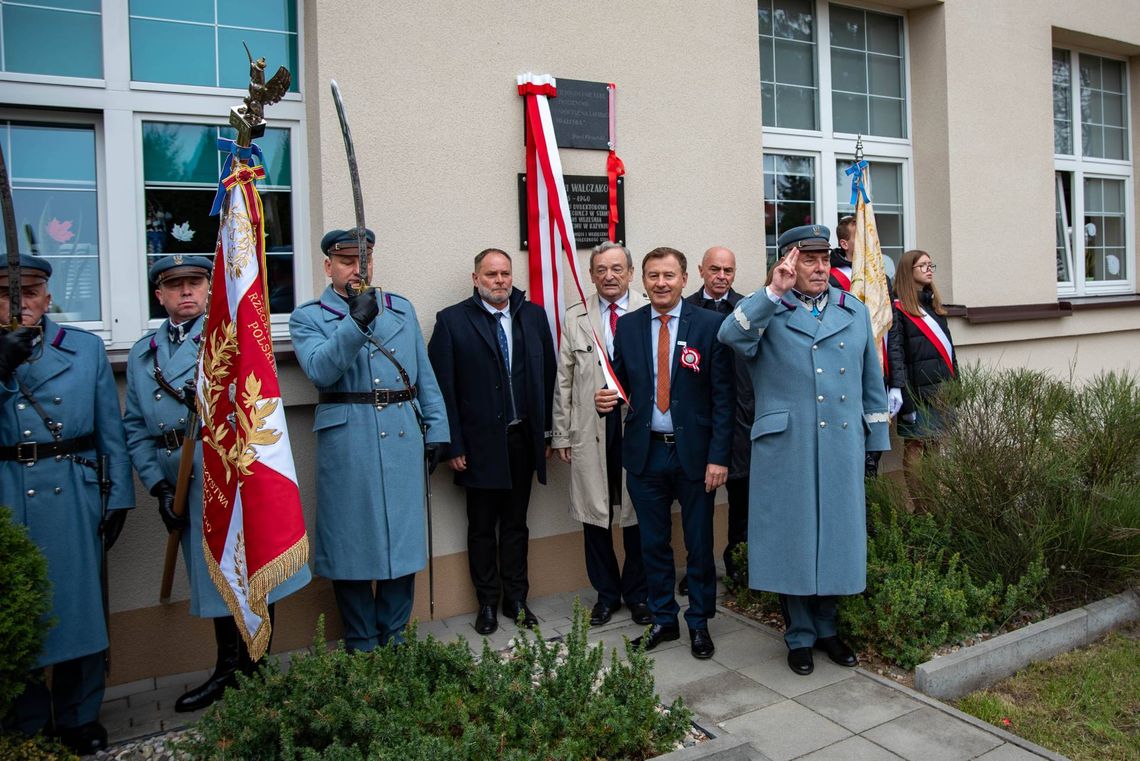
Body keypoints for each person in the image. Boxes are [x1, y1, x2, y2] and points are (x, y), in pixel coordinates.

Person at [125, 255, 310, 711]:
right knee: (214, 580)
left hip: (228, 477)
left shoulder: (229, 340)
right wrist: (158, 487)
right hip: (183, 481)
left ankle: (255, 670)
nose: (186, 292)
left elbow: (256, 400)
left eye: (195, 283)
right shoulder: (142, 354)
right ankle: (228, 669)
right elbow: (134, 427)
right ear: (160, 295)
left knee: (250, 571)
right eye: (176, 286)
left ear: (210, 289)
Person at [718, 225, 890, 676]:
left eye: (824, 259)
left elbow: (871, 383)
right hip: (786, 445)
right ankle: (798, 634)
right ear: (789, 263)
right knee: (793, 538)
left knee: (835, 534)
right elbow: (729, 337)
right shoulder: (767, 310)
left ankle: (828, 629)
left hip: (839, 442)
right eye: (807, 259)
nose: (818, 268)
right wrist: (772, 291)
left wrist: (875, 444)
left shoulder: (852, 311)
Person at [289, 229, 448, 651]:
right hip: (349, 439)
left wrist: (438, 429)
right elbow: (321, 371)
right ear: (328, 266)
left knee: (403, 539)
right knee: (351, 543)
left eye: (365, 260)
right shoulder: (308, 317)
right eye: (346, 261)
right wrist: (354, 322)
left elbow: (423, 377)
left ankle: (395, 636)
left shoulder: (399, 308)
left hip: (401, 433)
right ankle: (361, 641)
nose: (358, 268)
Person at [0, 254, 133, 754]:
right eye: (9, 295)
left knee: (78, 608)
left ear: (47, 297)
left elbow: (109, 431)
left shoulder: (82, 349)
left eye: (30, 293)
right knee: (18, 608)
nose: (21, 304)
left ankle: (79, 716)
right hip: (7, 490)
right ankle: (26, 717)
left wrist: (118, 496)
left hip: (72, 490)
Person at [595, 247, 734, 660]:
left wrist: (719, 457)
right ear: (643, 279)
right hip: (645, 455)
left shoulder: (711, 326)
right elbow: (620, 380)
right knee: (652, 545)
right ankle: (663, 620)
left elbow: (724, 398)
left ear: (684, 279)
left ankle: (699, 623)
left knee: (698, 543)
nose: (660, 283)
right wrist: (606, 397)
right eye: (653, 276)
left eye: (669, 276)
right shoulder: (630, 326)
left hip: (695, 456)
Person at [428, 248, 555, 635]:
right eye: (491, 274)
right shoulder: (452, 321)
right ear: (476, 278)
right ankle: (487, 602)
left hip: (522, 441)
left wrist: (546, 434)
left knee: (516, 524)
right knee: (482, 528)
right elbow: (442, 389)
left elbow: (547, 377)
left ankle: (516, 599)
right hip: (478, 446)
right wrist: (453, 445)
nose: (500, 281)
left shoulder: (532, 316)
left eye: (505, 273)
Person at [551, 241, 651, 627]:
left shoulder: (648, 310)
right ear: (591, 276)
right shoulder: (576, 317)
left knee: (637, 512)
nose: (609, 276)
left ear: (629, 273)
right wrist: (561, 434)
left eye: (616, 268)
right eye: (600, 270)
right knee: (595, 516)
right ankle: (607, 595)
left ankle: (638, 595)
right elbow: (564, 381)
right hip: (590, 430)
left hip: (636, 427)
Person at [685, 246, 754, 586]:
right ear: (700, 270)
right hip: (700, 420)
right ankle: (700, 570)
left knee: (741, 500)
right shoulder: (685, 309)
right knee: (698, 505)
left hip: (741, 417)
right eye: (715, 269)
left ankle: (738, 563)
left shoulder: (747, 308)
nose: (721, 276)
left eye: (728, 270)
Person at [886, 249, 958, 504]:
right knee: (916, 446)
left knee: (936, 445)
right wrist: (904, 396)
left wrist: (956, 386)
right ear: (909, 271)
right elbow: (896, 355)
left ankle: (934, 500)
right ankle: (920, 506)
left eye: (931, 265)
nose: (929, 269)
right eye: (923, 265)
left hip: (941, 389)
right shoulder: (898, 308)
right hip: (917, 391)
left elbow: (949, 350)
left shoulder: (933, 305)